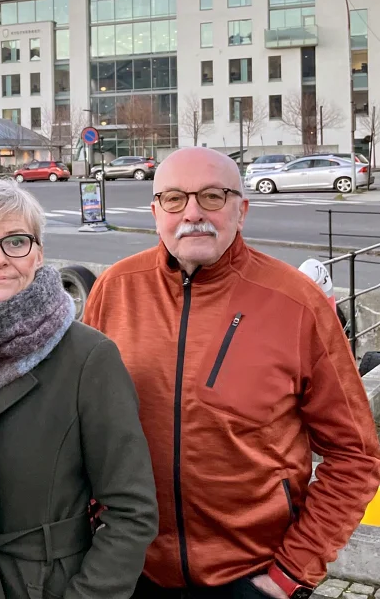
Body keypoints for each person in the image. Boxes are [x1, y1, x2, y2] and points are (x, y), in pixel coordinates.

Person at [83, 146, 380, 599]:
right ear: (155, 211)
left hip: (252, 576)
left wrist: (289, 575)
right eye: (175, 198)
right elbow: (81, 424)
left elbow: (355, 455)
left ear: (242, 210)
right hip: (129, 570)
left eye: (213, 197)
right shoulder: (115, 289)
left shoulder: (296, 303)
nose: (193, 213)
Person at [0, 180, 159, 599]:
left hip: (42, 585)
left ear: (38, 254)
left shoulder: (88, 358)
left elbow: (131, 511)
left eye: (15, 241)